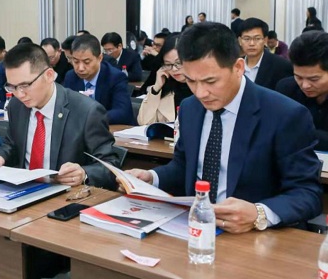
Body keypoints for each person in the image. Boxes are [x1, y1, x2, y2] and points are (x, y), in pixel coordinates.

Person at [126, 22, 322, 233]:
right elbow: (184, 167)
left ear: (238, 68)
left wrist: (259, 213)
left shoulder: (284, 114)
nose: (200, 93)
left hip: (254, 236)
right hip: (195, 229)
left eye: (210, 81)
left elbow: (307, 193)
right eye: (191, 81)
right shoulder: (190, 108)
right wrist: (152, 178)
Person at [0, 43, 119, 190]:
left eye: (25, 85)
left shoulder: (86, 111)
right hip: (23, 191)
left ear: (49, 75)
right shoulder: (16, 106)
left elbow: (111, 165)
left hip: (64, 194)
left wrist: (84, 173)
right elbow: (12, 145)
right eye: (12, 87)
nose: (19, 94)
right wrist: (0, 156)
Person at [64, 35, 136, 125]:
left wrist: (90, 118)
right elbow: (65, 107)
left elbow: (122, 112)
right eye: (76, 62)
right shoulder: (71, 76)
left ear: (100, 58)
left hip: (110, 129)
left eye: (86, 62)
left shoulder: (115, 77)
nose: (80, 68)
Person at [277, 31, 328, 151]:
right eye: (298, 77)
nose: (305, 86)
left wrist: (298, 132)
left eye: (314, 79)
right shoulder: (286, 89)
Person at [137, 35, 193, 125]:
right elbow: (144, 122)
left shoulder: (202, 89)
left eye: (178, 63)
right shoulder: (165, 88)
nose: (174, 69)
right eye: (168, 64)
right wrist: (156, 88)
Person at [239, 18, 292, 90]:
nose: (251, 43)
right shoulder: (233, 65)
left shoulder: (281, 65)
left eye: (257, 38)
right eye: (247, 39)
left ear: (265, 40)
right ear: (240, 41)